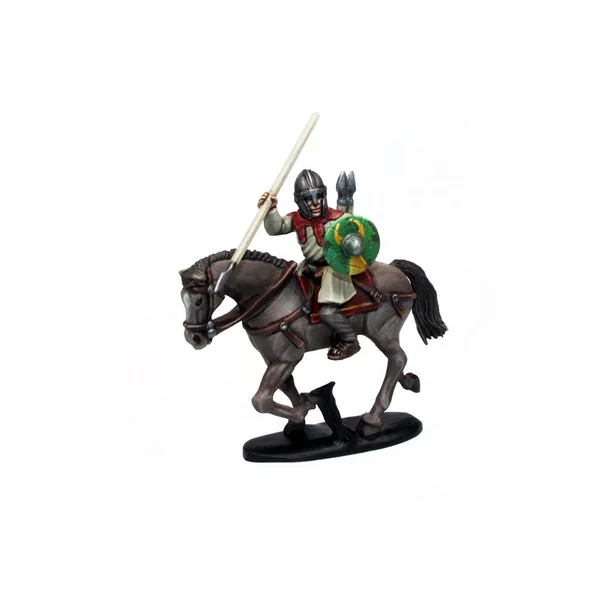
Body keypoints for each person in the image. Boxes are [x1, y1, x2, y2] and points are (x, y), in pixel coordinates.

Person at [258, 169, 361, 360]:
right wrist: (270, 209)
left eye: (319, 197)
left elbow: (352, 237)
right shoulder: (296, 219)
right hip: (310, 265)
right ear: (299, 201)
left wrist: (346, 201)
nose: (315, 203)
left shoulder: (337, 218)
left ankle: (350, 340)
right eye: (308, 199)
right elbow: (276, 228)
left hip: (334, 269)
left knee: (328, 312)